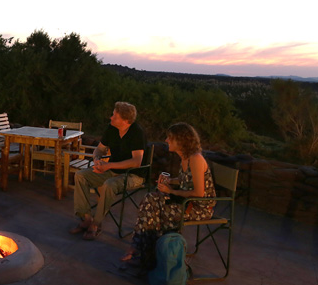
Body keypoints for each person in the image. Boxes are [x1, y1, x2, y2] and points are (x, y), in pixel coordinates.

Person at [121, 122, 216, 266]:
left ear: (181, 140)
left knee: (162, 210)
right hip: (186, 202)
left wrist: (170, 191)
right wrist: (171, 180)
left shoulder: (195, 159)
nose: (166, 141)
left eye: (170, 138)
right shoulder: (185, 157)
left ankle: (153, 254)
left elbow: (199, 193)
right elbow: (186, 180)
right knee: (150, 199)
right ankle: (139, 246)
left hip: (199, 209)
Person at [70, 101, 146, 240]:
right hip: (112, 171)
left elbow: (136, 162)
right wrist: (97, 159)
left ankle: (96, 224)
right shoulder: (111, 129)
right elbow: (99, 149)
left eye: (114, 116)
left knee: (108, 185)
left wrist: (109, 166)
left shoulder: (136, 132)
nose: (111, 118)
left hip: (133, 176)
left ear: (125, 121)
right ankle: (87, 218)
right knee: (80, 176)